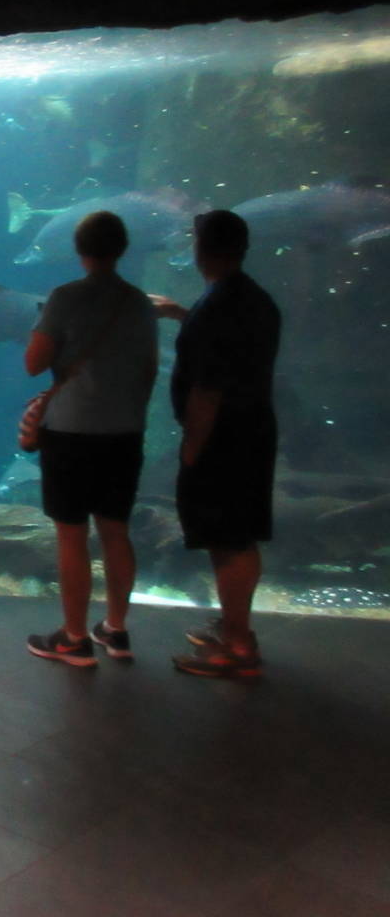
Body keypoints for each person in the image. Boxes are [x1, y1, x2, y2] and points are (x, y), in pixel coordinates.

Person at [23, 211, 159, 668]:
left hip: (71, 432)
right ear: (123, 249)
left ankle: (74, 638)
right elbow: (149, 369)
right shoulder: (140, 302)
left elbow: (33, 363)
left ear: (77, 251)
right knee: (116, 532)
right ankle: (116, 630)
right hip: (124, 432)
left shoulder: (64, 297)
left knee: (72, 535)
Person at [152, 209, 280, 679]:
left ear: (202, 249)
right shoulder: (254, 300)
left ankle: (237, 646)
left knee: (229, 541)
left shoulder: (216, 308)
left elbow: (208, 388)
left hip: (222, 441)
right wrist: (182, 314)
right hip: (253, 432)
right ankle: (233, 626)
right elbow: (232, 349)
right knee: (236, 535)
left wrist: (192, 445)